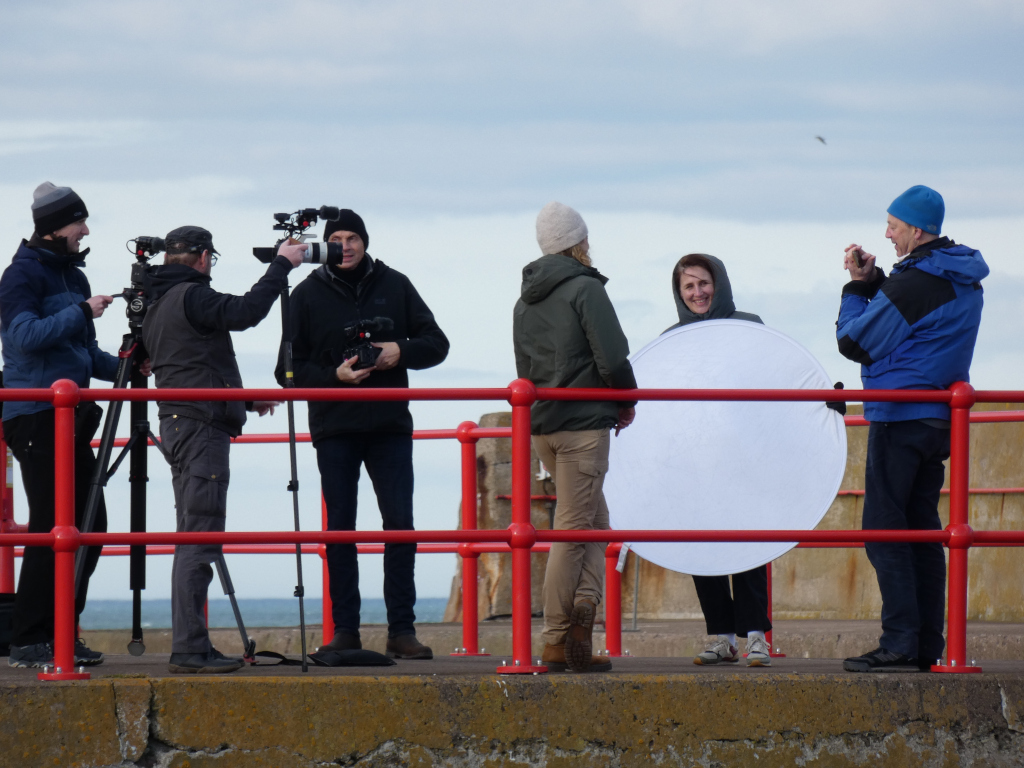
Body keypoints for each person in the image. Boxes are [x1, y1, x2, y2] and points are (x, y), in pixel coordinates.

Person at [278, 209, 449, 660]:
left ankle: (402, 630)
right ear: (326, 246)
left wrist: (400, 351)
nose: (346, 246)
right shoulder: (306, 294)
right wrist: (334, 376)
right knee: (340, 531)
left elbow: (438, 344)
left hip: (390, 425)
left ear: (366, 241)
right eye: (337, 239)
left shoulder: (396, 284)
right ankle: (345, 631)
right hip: (335, 427)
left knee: (400, 527)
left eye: (353, 237)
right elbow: (286, 372)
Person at [836, 185, 988, 672]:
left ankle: (899, 642)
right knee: (923, 530)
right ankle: (926, 645)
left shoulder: (915, 283)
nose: (887, 233)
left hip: (899, 416)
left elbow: (854, 342)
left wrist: (856, 289)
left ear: (916, 230)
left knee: (883, 531)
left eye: (894, 226)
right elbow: (918, 320)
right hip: (938, 418)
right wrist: (879, 277)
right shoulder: (961, 276)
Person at [142, 226, 306, 674]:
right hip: (200, 429)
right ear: (202, 258)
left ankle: (192, 643)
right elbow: (246, 311)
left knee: (192, 532)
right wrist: (281, 265)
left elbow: (188, 367)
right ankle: (190, 648)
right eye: (210, 259)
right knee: (201, 533)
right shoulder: (193, 296)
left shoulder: (157, 302)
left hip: (181, 421)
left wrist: (244, 399)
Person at [0, 182, 128, 669]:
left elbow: (81, 354)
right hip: (34, 415)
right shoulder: (20, 277)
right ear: (55, 228)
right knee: (55, 524)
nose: (86, 230)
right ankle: (31, 639)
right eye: (79, 222)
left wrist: (126, 366)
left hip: (68, 416)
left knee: (88, 523)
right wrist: (81, 311)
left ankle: (59, 633)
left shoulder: (72, 277)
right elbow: (25, 337)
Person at [513, 201, 637, 673]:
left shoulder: (524, 301)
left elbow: (524, 372)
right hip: (584, 425)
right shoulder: (586, 288)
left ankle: (584, 614)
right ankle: (555, 640)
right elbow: (612, 356)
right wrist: (626, 400)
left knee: (595, 524)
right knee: (572, 532)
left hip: (543, 426)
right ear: (578, 242)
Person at [664, 253, 774, 668]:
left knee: (748, 544)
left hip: (745, 455)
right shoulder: (671, 340)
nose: (697, 293)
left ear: (720, 283)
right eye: (688, 287)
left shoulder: (750, 326)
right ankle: (722, 637)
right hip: (697, 461)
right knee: (702, 547)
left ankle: (756, 637)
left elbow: (776, 378)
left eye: (703, 283)